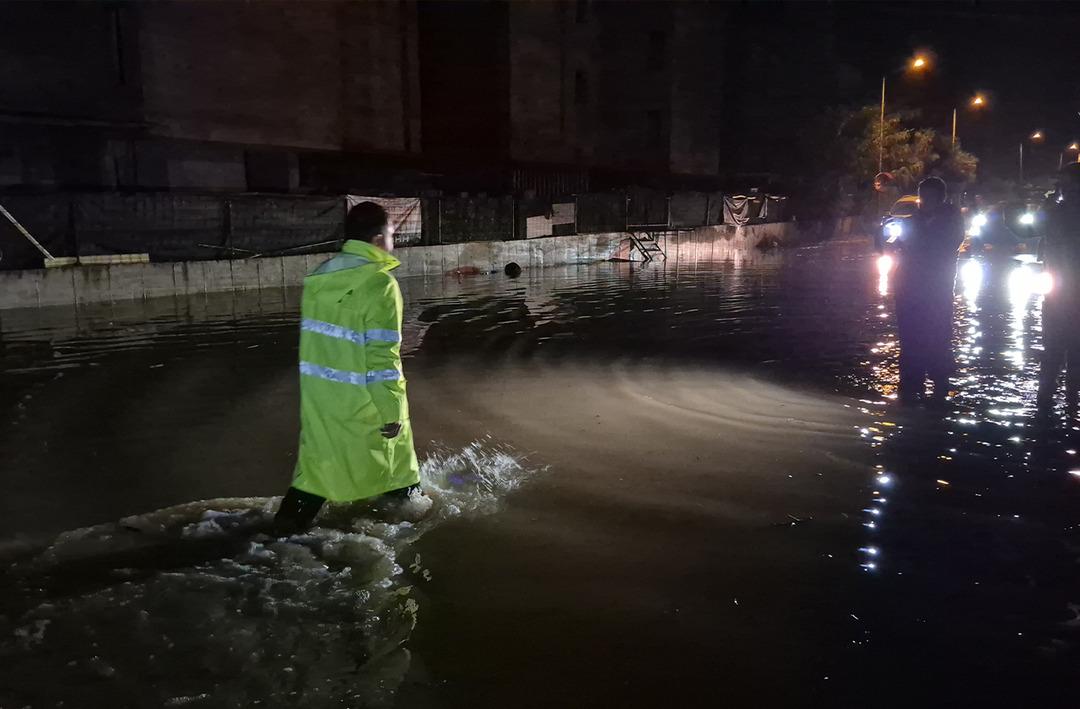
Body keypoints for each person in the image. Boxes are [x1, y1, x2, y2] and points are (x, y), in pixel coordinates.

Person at [274, 201, 420, 534]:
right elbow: (383, 358)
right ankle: (415, 522)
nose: (392, 240)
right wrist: (392, 410)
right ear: (378, 239)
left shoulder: (320, 278)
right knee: (398, 469)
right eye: (392, 233)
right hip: (364, 402)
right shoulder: (380, 285)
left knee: (316, 470)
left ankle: (280, 532)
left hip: (321, 400)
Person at [892, 177, 965, 402]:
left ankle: (939, 380)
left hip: (936, 288)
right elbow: (901, 245)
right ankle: (911, 382)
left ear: (941, 198)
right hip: (909, 286)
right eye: (923, 196)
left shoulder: (951, 221)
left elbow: (945, 245)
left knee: (937, 333)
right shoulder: (914, 220)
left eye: (930, 196)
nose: (925, 201)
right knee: (909, 334)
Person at [1036, 163, 1080, 412]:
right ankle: (1047, 402)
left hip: (1072, 292)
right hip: (1056, 293)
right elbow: (1032, 229)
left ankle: (1070, 402)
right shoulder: (1056, 211)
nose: (1063, 189)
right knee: (1052, 350)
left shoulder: (1061, 212)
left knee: (1072, 351)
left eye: (1067, 183)